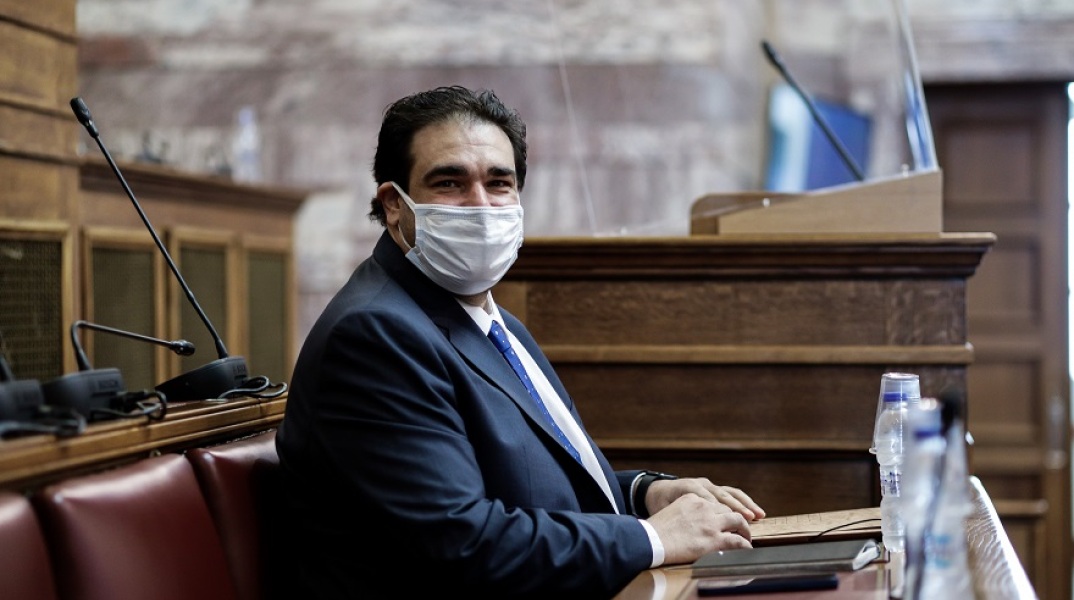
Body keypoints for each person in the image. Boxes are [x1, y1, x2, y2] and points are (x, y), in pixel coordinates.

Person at [275, 85, 765, 599]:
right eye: (450, 183)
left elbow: (529, 490)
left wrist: (646, 494)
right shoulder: (375, 335)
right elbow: (462, 542)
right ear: (395, 205)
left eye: (499, 183)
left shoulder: (490, 320)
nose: (481, 205)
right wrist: (653, 538)